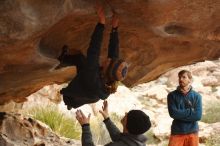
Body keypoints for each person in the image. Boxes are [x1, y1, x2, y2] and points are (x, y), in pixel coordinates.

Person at [57, 4, 128, 109]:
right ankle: (63, 59)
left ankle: (62, 58)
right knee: (79, 59)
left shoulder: (93, 77)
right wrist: (114, 28)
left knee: (80, 59)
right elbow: (114, 54)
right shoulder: (110, 77)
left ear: (107, 69)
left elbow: (94, 50)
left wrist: (101, 23)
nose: (108, 59)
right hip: (86, 88)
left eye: (109, 62)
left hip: (71, 97)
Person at [75, 100, 151, 146]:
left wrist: (85, 126)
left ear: (127, 125)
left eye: (128, 114)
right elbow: (120, 137)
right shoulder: (138, 140)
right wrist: (107, 118)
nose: (126, 112)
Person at [167, 70, 202, 146]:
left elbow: (198, 116)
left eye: (184, 77)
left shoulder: (197, 96)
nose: (180, 79)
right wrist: (190, 112)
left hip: (193, 132)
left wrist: (180, 114)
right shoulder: (171, 95)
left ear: (190, 79)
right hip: (177, 132)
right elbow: (173, 114)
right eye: (179, 77)